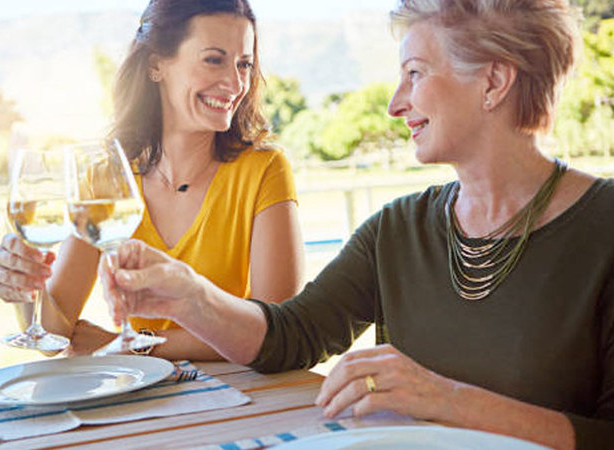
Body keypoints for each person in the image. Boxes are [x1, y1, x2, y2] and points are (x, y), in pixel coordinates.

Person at [98, 0, 614, 448]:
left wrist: (447, 400)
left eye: (414, 73)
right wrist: (187, 296)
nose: (395, 104)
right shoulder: (398, 229)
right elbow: (291, 336)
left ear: (493, 81)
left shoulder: (603, 228)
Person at [0, 0, 305, 360]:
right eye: (214, 60)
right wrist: (24, 292)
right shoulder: (108, 180)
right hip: (144, 400)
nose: (235, 83)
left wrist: (136, 345)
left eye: (244, 64)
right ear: (156, 65)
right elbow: (57, 333)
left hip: (243, 398)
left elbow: (277, 331)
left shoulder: (264, 170)